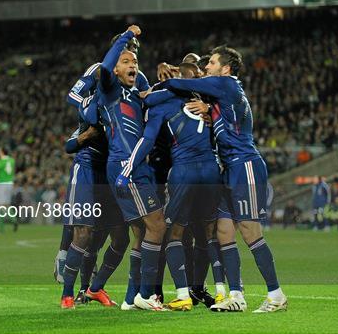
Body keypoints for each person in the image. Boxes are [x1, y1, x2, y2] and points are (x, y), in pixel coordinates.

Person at [153, 45, 287, 313]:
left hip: (245, 165)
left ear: (225, 68)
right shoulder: (221, 96)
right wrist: (209, 110)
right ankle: (236, 295)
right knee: (224, 230)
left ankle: (276, 295)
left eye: (212, 63)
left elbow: (187, 83)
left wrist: (170, 75)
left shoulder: (228, 84)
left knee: (250, 232)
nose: (208, 67)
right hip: (227, 169)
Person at [116, 83, 224, 311]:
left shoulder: (159, 108)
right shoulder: (201, 102)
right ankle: (223, 292)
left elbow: (146, 141)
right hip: (211, 168)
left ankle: (183, 295)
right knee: (210, 232)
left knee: (173, 232)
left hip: (184, 171)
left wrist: (126, 171)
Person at [83, 26, 166, 311]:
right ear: (116, 68)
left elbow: (151, 95)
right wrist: (122, 38)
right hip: (124, 165)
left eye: (135, 62)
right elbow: (106, 65)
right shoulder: (108, 87)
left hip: (132, 166)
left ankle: (131, 299)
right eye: (126, 62)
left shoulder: (136, 89)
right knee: (158, 225)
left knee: (142, 234)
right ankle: (145, 293)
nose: (132, 65)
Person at [0, 146, 17, 233]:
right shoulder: (12, 161)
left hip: (2, 184)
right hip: (10, 183)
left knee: (0, 205)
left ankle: (1, 228)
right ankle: (14, 219)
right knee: (7, 205)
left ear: (2, 152)